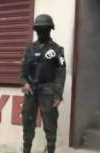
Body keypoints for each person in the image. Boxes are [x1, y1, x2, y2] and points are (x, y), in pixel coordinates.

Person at [20, 14, 66, 153]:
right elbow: (22, 70)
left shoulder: (57, 50)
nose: (41, 32)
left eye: (44, 29)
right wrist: (25, 83)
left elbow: (61, 73)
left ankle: (50, 149)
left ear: (50, 30)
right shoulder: (29, 49)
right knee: (28, 122)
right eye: (38, 29)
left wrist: (58, 95)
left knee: (50, 124)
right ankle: (26, 149)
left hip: (48, 91)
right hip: (31, 91)